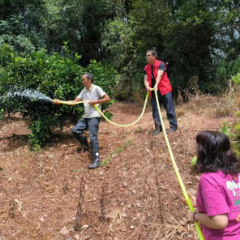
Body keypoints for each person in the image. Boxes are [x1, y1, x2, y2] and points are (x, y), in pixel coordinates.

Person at [185, 131, 240, 240]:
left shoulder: (209, 179)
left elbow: (219, 221)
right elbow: (231, 201)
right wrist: (198, 203)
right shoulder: (235, 173)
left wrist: (195, 216)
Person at [54, 73, 110, 169]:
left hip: (94, 116)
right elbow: (74, 102)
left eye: (83, 79)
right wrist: (60, 101)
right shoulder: (83, 91)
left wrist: (95, 102)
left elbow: (108, 98)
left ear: (89, 80)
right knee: (75, 131)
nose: (82, 81)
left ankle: (96, 160)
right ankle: (86, 146)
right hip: (86, 117)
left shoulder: (96, 88)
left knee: (93, 137)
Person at [144, 49, 177, 135]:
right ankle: (158, 128)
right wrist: (147, 86)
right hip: (154, 92)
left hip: (164, 90)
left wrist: (156, 85)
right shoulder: (146, 67)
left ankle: (173, 127)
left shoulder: (161, 64)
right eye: (146, 55)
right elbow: (146, 79)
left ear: (154, 56)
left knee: (169, 108)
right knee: (155, 111)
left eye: (149, 55)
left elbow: (159, 75)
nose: (147, 57)